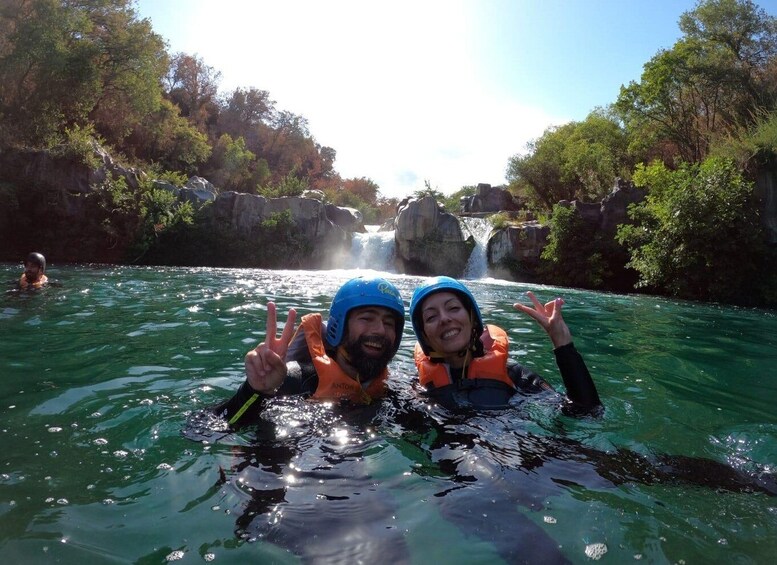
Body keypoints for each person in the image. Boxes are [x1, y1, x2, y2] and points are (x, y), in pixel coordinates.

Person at [212, 276, 405, 427]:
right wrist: (255, 391)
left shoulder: (394, 390)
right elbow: (203, 430)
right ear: (339, 326)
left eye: (389, 323)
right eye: (367, 318)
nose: (380, 330)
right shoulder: (294, 381)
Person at [409, 276, 601, 412]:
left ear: (473, 319)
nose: (444, 319)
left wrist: (563, 344)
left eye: (453, 308)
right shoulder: (420, 388)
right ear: (424, 335)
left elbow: (586, 413)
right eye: (431, 316)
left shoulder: (516, 377)